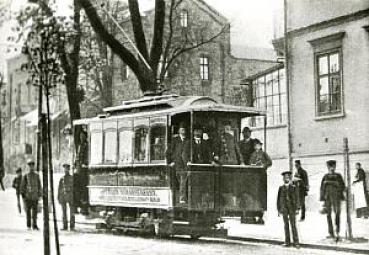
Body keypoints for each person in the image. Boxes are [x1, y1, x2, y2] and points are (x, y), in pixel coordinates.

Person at [320, 160, 345, 240]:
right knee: (328, 215)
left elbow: (343, 186)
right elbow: (322, 188)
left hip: (336, 198)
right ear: (328, 167)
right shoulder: (325, 176)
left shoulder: (338, 176)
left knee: (337, 214)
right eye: (330, 167)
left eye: (333, 166)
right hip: (328, 198)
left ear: (335, 167)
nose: (332, 168)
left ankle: (337, 232)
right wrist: (322, 199)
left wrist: (333, 183)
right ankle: (331, 233)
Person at [166, 122, 190, 203]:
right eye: (182, 129)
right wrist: (170, 162)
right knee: (181, 182)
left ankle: (182, 198)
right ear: (179, 130)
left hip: (185, 165)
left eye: (184, 129)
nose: (183, 131)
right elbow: (168, 152)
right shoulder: (175, 140)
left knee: (183, 180)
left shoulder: (188, 140)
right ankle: (181, 198)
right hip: (176, 164)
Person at [277, 171, 300, 248]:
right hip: (284, 209)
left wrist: (297, 208)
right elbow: (278, 200)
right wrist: (279, 210)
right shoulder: (281, 188)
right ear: (283, 179)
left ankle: (296, 242)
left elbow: (297, 198)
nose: (286, 179)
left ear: (290, 178)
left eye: (287, 177)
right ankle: (287, 242)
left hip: (292, 208)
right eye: (285, 177)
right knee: (286, 225)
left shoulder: (293, 188)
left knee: (293, 225)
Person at [20, 159, 42, 230]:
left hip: (35, 197)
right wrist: (23, 195)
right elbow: (22, 186)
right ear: (28, 166)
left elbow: (39, 185)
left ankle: (35, 225)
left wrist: (40, 194)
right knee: (28, 212)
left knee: (35, 213)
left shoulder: (37, 175)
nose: (31, 167)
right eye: (30, 166)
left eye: (32, 165)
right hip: (28, 197)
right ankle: (28, 225)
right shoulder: (26, 176)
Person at [58, 163, 75, 231]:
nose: (66, 170)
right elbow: (59, 188)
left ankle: (72, 226)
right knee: (64, 212)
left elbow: (74, 188)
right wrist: (59, 196)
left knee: (71, 212)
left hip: (70, 196)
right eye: (65, 169)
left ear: (69, 169)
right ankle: (65, 226)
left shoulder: (72, 178)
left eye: (67, 169)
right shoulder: (62, 178)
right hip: (63, 196)